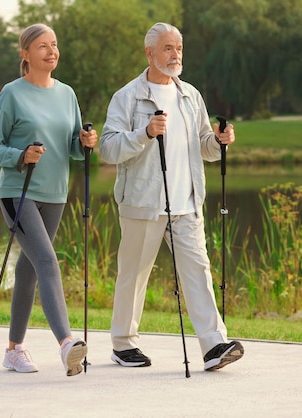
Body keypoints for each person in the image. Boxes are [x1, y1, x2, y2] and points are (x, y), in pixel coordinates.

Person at [99, 22, 244, 371]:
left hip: (186, 203)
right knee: (133, 275)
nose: (175, 54)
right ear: (150, 53)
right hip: (142, 202)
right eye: (167, 48)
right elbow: (107, 148)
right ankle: (123, 344)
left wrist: (220, 141)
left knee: (198, 272)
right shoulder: (127, 97)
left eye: (178, 48)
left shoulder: (190, 95)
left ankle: (213, 345)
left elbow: (204, 146)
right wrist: (145, 133)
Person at [0, 23, 98, 377]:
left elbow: (73, 148)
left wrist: (86, 142)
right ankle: (66, 344)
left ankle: (14, 350)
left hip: (55, 193)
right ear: (25, 54)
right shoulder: (12, 94)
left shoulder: (67, 94)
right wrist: (20, 156)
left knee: (30, 268)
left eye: (55, 45)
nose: (52, 51)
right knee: (47, 261)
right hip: (18, 192)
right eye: (43, 46)